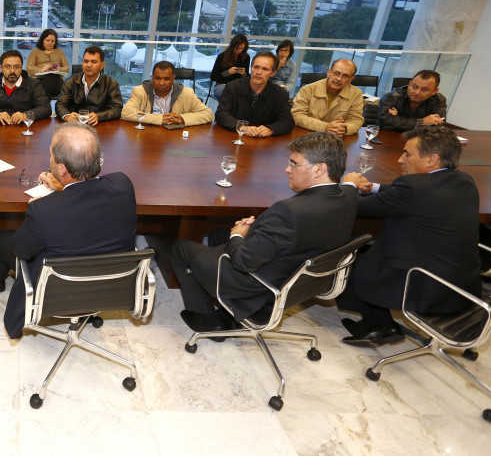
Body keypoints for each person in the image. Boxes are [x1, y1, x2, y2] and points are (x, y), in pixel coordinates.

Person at [170, 132, 358, 332]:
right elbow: (347, 188)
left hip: (259, 288)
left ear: (320, 169)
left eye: (294, 164)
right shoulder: (349, 196)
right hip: (296, 280)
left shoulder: (288, 211)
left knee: (181, 248)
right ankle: (227, 311)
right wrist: (260, 229)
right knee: (218, 234)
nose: (287, 169)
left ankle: (208, 322)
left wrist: (237, 235)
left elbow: (244, 262)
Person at [0, 122, 137, 339]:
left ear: (62, 169)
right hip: (108, 288)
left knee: (2, 239)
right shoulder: (123, 185)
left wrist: (41, 206)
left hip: (59, 293)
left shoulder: (42, 211)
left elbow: (22, 250)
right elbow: (85, 199)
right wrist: (63, 189)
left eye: (51, 157)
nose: (49, 160)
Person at [339, 126, 480, 347]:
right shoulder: (464, 181)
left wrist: (349, 185)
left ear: (432, 159)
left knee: (346, 258)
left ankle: (380, 324)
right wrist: (374, 187)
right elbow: (412, 194)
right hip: (461, 286)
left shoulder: (413, 188)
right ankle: (378, 323)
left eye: (407, 153)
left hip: (424, 285)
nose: (400, 160)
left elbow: (353, 207)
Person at [214, 51, 294, 137]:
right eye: (256, 67)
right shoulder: (233, 87)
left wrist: (271, 129)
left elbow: (287, 121)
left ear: (273, 73)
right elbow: (221, 114)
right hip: (233, 137)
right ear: (251, 68)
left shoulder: (279, 94)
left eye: (265, 69)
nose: (258, 72)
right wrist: (242, 127)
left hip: (263, 142)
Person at [121, 60, 213, 127]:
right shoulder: (140, 91)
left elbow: (208, 114)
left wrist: (181, 119)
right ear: (152, 77)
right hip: (146, 136)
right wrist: (160, 119)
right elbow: (126, 113)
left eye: (166, 79)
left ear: (173, 78)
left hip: (175, 140)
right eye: (157, 78)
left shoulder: (187, 93)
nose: (161, 83)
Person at [0, 50, 51, 125]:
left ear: (21, 67)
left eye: (16, 67)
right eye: (7, 67)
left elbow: (45, 108)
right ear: (1, 68)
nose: (12, 71)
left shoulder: (33, 84)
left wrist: (26, 115)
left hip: (24, 127)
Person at [291, 58, 364, 136]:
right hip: (307, 135)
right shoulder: (308, 90)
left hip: (336, 139)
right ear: (329, 73)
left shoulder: (356, 94)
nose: (339, 79)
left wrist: (344, 128)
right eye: (336, 73)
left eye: (345, 76)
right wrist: (325, 127)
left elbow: (356, 120)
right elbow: (296, 115)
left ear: (351, 79)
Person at [56, 45, 123, 125]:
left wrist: (99, 116)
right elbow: (60, 104)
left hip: (100, 126)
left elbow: (117, 109)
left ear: (102, 65)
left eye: (94, 62)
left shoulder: (111, 84)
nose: (88, 65)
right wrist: (67, 116)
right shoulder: (71, 81)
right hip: (74, 125)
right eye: (86, 61)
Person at [379, 70, 447, 131]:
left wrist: (398, 120)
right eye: (414, 87)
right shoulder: (393, 97)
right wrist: (422, 122)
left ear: (434, 91)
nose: (417, 92)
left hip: (418, 140)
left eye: (424, 89)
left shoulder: (439, 100)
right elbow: (386, 123)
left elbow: (437, 128)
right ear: (409, 84)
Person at [26, 28, 70, 98]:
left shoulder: (59, 51)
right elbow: (29, 67)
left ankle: (44, 105)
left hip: (57, 82)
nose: (50, 43)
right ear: (42, 40)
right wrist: (41, 70)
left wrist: (60, 69)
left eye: (52, 41)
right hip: (40, 79)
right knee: (47, 81)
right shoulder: (35, 52)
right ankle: (45, 104)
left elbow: (67, 67)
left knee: (51, 77)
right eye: (48, 40)